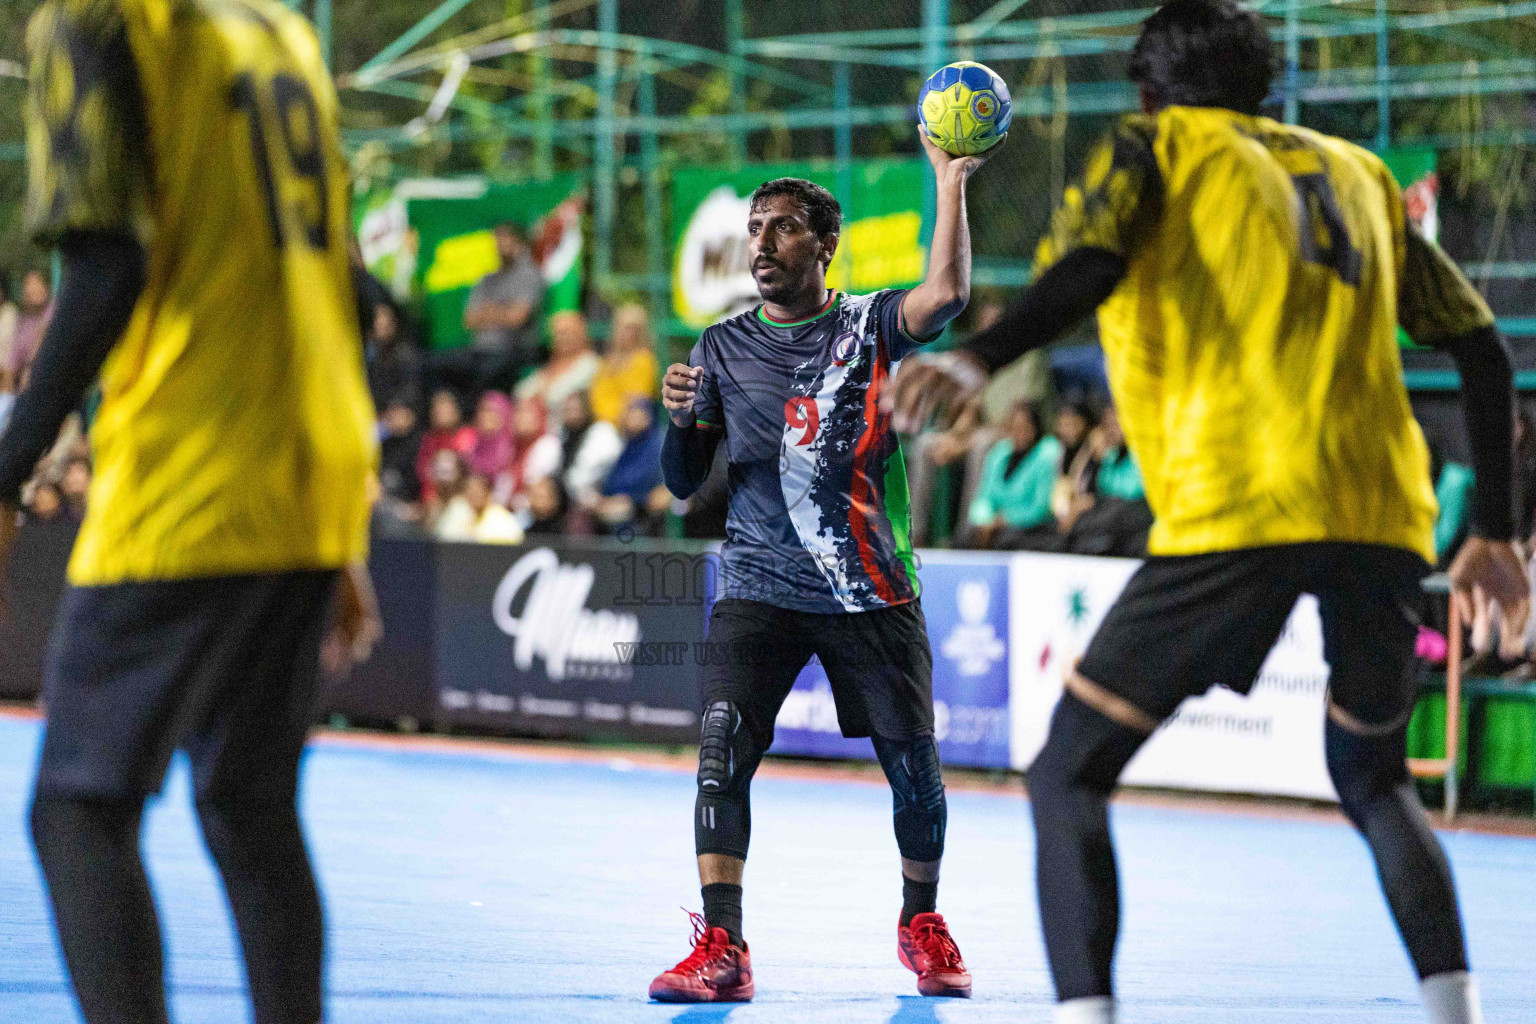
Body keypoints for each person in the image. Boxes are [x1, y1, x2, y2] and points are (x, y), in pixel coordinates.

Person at [890, 4, 1525, 1023]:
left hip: (1241, 509)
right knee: (1373, 773)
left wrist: (978, 357)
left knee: (1068, 771)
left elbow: (1093, 265)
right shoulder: (1359, 175)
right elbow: (1486, 350)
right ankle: (1463, 1014)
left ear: (1149, 90)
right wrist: (1493, 529)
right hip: (1382, 520)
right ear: (1262, 89)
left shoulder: (1158, 145)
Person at [0, 2, 381, 1023]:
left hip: (195, 465)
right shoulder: (280, 34)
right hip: (310, 465)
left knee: (78, 806)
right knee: (250, 807)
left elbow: (106, 266)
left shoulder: (98, 20)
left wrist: (7, 470)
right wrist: (338, 523)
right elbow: (348, 288)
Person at [652, 132, 994, 1003]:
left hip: (870, 590)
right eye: (755, 227)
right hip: (760, 588)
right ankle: (722, 946)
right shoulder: (720, 348)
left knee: (913, 770)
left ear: (824, 246)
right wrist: (682, 419)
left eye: (783, 228)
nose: (761, 243)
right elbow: (686, 482)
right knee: (721, 751)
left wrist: (948, 182)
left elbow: (948, 293)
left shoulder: (868, 324)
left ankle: (922, 922)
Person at [445, 222, 544, 395]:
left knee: (485, 375)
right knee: (438, 365)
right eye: (497, 238)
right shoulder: (486, 280)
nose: (501, 243)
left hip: (514, 349)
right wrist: (503, 311)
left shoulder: (529, 275)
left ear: (518, 241)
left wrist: (488, 312)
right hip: (480, 349)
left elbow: (517, 318)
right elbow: (469, 320)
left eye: (506, 237)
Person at [963, 401, 1062, 550]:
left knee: (1006, 540)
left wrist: (1005, 520)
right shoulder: (999, 454)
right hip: (995, 524)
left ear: (1035, 427)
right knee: (965, 538)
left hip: (1030, 526)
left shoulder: (1046, 455)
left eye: (1024, 427)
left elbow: (1040, 508)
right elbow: (984, 497)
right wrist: (984, 520)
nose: (1018, 432)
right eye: (1014, 427)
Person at [593, 398, 669, 535]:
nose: (634, 418)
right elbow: (610, 480)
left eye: (639, 413)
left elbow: (657, 488)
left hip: (645, 516)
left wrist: (633, 503)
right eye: (630, 413)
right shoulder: (621, 444)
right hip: (614, 511)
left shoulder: (659, 443)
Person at [516, 310, 601, 413]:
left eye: (567, 332)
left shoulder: (591, 364)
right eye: (557, 333)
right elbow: (521, 392)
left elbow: (558, 396)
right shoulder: (550, 366)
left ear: (582, 333)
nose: (562, 338)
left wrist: (539, 396)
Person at [589, 302, 660, 425]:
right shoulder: (607, 361)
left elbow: (637, 400)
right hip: (600, 422)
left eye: (631, 328)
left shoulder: (644, 360)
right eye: (622, 327)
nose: (626, 333)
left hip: (626, 426)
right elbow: (596, 394)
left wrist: (611, 418)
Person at [416, 389, 476, 506]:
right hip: (432, 499)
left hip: (461, 497)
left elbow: (468, 469)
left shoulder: (466, 435)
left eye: (446, 411)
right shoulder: (429, 439)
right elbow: (423, 471)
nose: (441, 416)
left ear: (455, 412)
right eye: (438, 412)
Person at [435, 472, 524, 545]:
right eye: (469, 491)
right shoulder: (461, 513)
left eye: (476, 492)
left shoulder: (500, 518)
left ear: (488, 492)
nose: (472, 496)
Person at [6, 269, 54, 386]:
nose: (33, 289)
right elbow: (12, 363)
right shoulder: (24, 322)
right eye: (29, 285)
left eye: (37, 284)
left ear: (46, 287)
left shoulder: (55, 312)